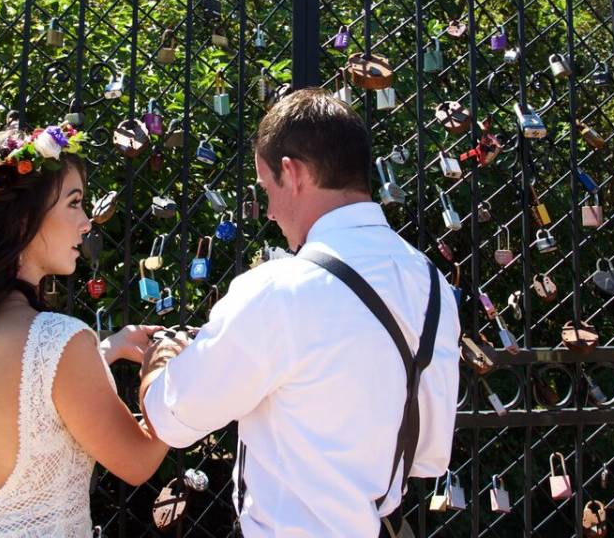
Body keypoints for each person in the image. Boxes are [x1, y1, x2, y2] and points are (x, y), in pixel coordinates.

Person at [140, 88, 462, 537]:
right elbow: (429, 454)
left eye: (265, 188)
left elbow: (172, 417)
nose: (268, 211)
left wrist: (161, 359)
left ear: (291, 174)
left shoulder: (278, 289)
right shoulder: (432, 284)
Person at [0, 123, 168, 538]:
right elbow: (137, 463)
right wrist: (164, 371)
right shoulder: (61, 339)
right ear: (22, 220)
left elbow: (22, 396)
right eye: (74, 203)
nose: (86, 223)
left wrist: (106, 350)